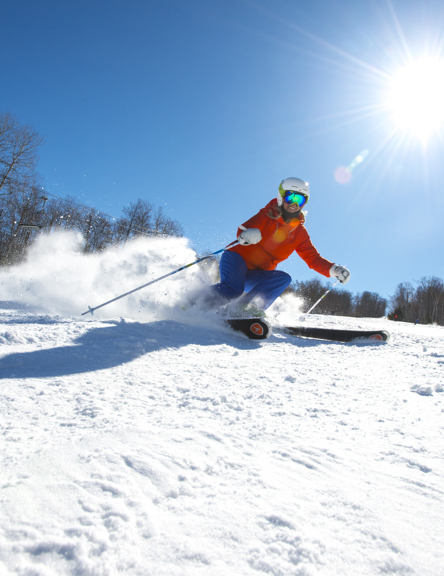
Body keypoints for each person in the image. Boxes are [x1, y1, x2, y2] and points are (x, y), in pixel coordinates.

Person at [208, 177, 351, 314]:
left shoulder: (299, 233)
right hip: (237, 259)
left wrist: (335, 270)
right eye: (291, 198)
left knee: (284, 278)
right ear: (281, 197)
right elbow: (245, 228)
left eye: (299, 200)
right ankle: (193, 302)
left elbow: (313, 258)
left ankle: (244, 309)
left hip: (257, 273)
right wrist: (248, 233)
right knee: (232, 290)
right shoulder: (267, 215)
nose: (294, 204)